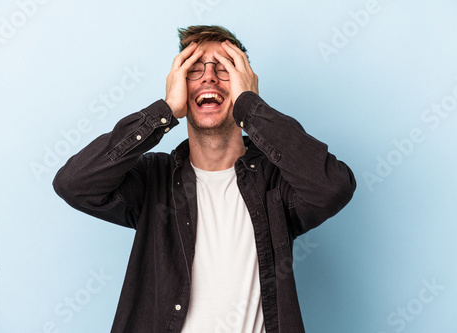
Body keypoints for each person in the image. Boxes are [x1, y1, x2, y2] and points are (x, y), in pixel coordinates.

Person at [53, 25, 356, 333]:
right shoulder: (153, 180)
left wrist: (251, 107)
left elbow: (332, 187)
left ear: (244, 83)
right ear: (179, 86)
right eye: (194, 70)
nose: (209, 76)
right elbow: (73, 184)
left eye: (224, 69)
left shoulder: (276, 183)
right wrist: (164, 111)